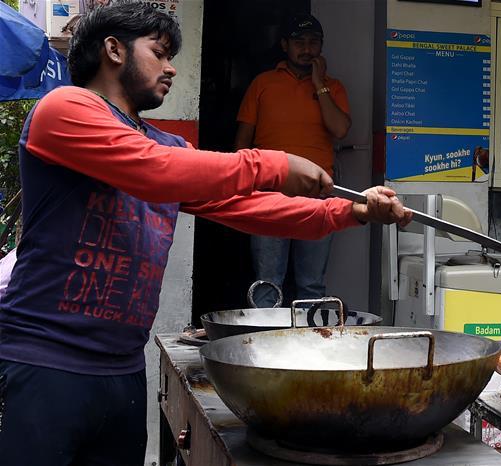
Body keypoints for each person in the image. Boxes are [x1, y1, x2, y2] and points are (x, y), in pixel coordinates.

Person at [0, 4, 410, 465]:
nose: (171, 66)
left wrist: (349, 210)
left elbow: (249, 208)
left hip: (124, 368)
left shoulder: (167, 144)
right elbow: (152, 171)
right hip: (45, 364)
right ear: (113, 50)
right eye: (159, 52)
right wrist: (273, 164)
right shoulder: (65, 108)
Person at [234, 13, 352, 306]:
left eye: (314, 42)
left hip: (318, 194)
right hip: (268, 193)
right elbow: (241, 143)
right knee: (267, 281)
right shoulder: (263, 83)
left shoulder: (332, 87)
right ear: (285, 45)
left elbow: (339, 129)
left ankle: (308, 348)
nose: (307, 48)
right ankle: (263, 347)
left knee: (311, 284)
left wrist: (318, 84)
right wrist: (241, 187)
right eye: (299, 42)